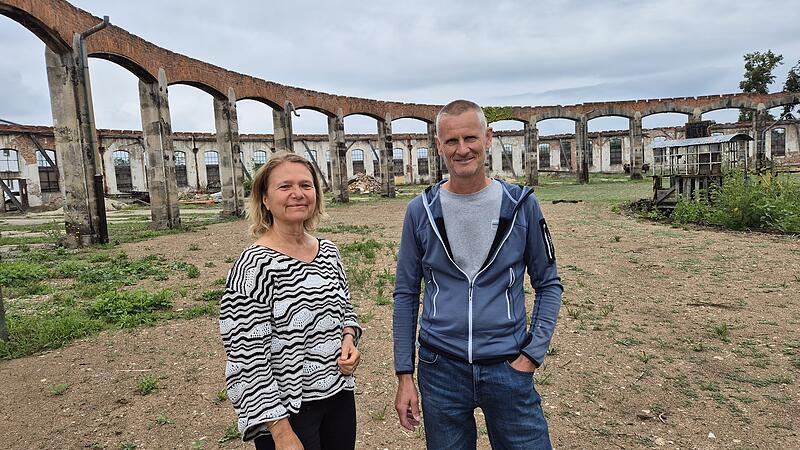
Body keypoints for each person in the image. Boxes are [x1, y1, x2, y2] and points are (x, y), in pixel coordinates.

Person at [393, 100, 562, 449]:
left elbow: (548, 283)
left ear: (487, 138)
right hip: (440, 368)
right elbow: (406, 293)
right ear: (439, 146)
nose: (462, 149)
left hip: (508, 366)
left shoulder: (521, 205)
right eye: (451, 141)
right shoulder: (420, 211)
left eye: (470, 138)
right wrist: (404, 374)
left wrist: (533, 353)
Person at [220, 152, 362, 450]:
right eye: (285, 187)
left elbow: (345, 311)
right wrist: (281, 432)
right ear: (265, 199)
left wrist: (349, 338)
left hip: (338, 397)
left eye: (306, 185)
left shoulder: (329, 252)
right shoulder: (253, 266)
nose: (297, 194)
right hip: (288, 412)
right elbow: (247, 359)